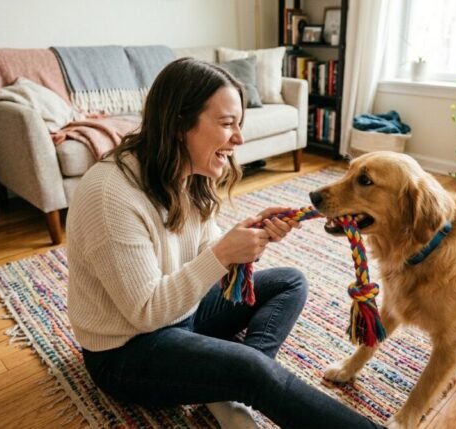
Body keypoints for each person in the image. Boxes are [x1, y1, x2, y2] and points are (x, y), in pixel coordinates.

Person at [66, 57, 382, 429]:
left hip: (182, 314)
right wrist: (222, 255)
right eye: (228, 123)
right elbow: (146, 312)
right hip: (126, 351)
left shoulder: (188, 174)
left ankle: (228, 389)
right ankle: (241, 379)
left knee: (290, 282)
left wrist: (249, 235)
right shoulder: (111, 195)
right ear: (180, 123)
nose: (239, 138)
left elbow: (203, 255)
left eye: (239, 124)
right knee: (252, 369)